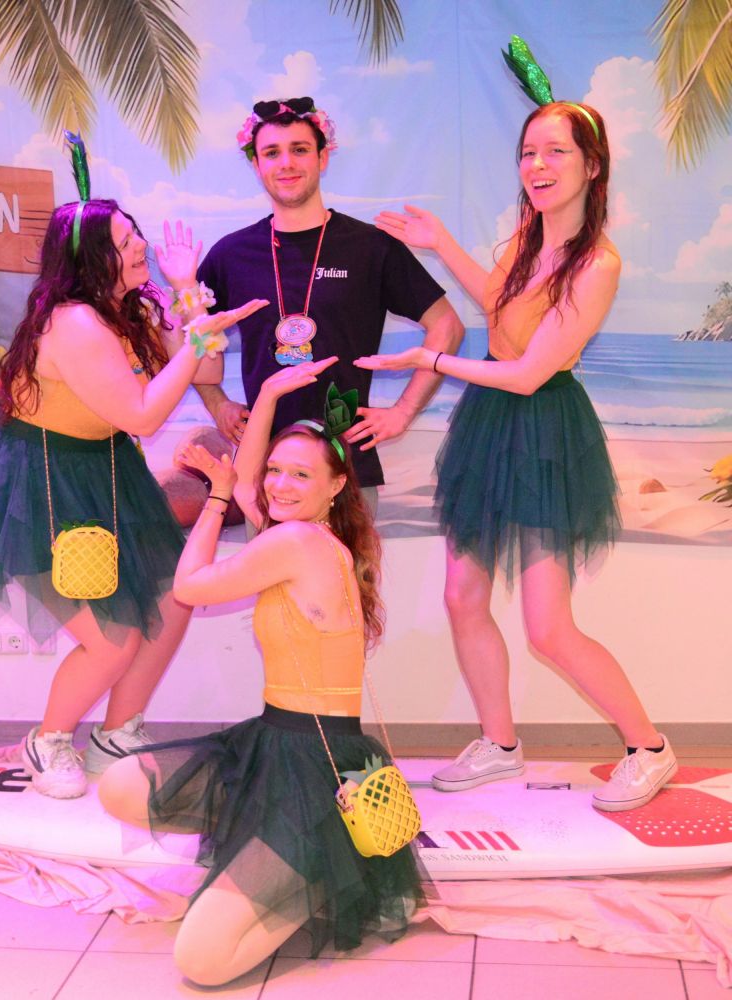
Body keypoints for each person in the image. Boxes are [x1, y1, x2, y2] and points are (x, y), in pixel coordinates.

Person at [357, 101, 678, 812]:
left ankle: (650, 747)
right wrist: (440, 242)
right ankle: (500, 745)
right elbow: (499, 305)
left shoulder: (598, 264)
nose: (538, 165)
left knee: (548, 628)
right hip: (491, 421)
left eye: (556, 151)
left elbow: (530, 372)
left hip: (542, 431)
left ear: (592, 166)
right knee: (461, 595)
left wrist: (429, 359)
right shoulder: (527, 239)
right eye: (529, 151)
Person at [98, 357, 425, 987]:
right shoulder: (303, 535)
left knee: (200, 962)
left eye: (300, 474)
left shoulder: (294, 543)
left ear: (337, 486)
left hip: (314, 764)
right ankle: (274, 855)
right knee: (120, 787)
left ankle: (318, 873)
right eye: (276, 469)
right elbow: (251, 487)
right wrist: (269, 394)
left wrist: (217, 498)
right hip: (273, 741)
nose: (278, 484)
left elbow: (191, 586)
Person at [0, 198, 266, 798]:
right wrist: (194, 341)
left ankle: (117, 734)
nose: (140, 244)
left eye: (134, 233)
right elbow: (142, 415)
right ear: (92, 260)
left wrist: (186, 288)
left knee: (176, 594)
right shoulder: (74, 323)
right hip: (39, 481)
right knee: (112, 640)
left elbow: (204, 373)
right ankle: (48, 740)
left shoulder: (127, 308)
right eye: (124, 242)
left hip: (106, 469)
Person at [195, 96, 464, 508]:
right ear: (257, 165)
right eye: (272, 153)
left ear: (322, 158)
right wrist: (218, 404)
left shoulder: (370, 247)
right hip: (265, 475)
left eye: (300, 149)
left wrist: (403, 411)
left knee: (352, 556)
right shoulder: (230, 255)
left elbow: (448, 326)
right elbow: (189, 340)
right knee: (267, 556)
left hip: (347, 469)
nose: (286, 163)